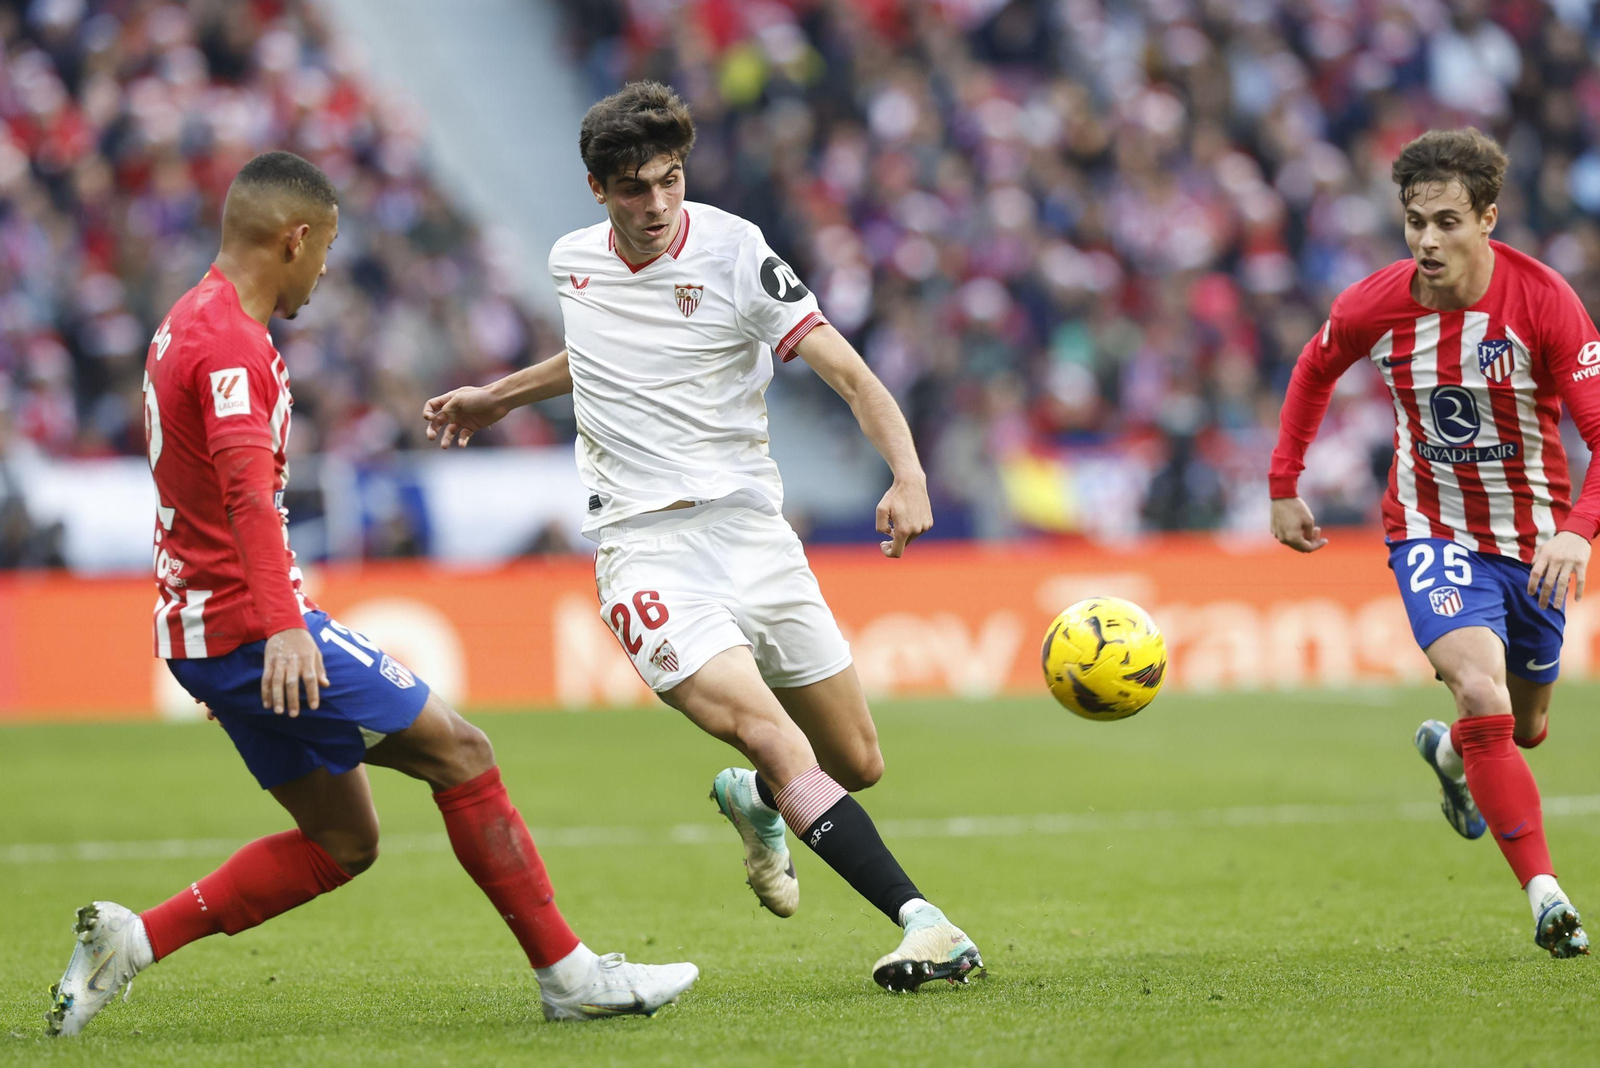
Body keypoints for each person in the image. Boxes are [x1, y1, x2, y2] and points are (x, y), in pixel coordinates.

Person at [46, 151, 698, 1038]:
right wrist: (276, 633)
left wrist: (218, 656)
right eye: (326, 251)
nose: (323, 271)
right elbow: (243, 498)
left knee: (344, 843)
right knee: (462, 754)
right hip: (245, 623)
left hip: (209, 631)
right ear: (296, 238)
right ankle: (570, 976)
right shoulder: (231, 344)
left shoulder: (186, 322)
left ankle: (134, 941)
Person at [423, 82, 983, 993]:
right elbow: (598, 350)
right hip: (644, 549)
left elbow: (844, 368)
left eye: (670, 181)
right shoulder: (572, 262)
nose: (657, 205)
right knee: (769, 731)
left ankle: (756, 807)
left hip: (755, 531)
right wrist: (500, 394)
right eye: (635, 188)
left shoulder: (734, 252)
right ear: (598, 189)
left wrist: (909, 472)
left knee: (855, 762)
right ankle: (924, 922)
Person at [1269, 127, 1594, 958]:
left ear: (1488, 217)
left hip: (1533, 541)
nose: (1427, 240)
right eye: (1415, 221)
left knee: (1522, 729)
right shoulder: (1375, 303)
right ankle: (1547, 897)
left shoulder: (1544, 302)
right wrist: (1282, 484)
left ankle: (1453, 755)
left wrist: (1576, 531)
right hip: (1430, 528)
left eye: (1448, 221)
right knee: (1477, 688)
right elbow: (1314, 368)